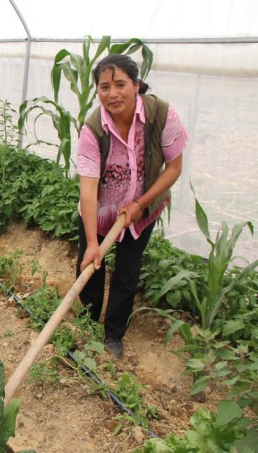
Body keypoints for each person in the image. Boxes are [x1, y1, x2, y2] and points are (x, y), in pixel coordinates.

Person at [76, 54, 188, 359]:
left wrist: (140, 204)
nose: (112, 94)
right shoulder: (93, 129)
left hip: (142, 210)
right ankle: (86, 325)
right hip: (98, 213)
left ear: (136, 85)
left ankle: (113, 335)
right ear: (97, 90)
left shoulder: (160, 114)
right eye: (104, 86)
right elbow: (87, 189)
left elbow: (173, 167)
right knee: (90, 267)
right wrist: (90, 242)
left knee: (127, 271)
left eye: (120, 84)